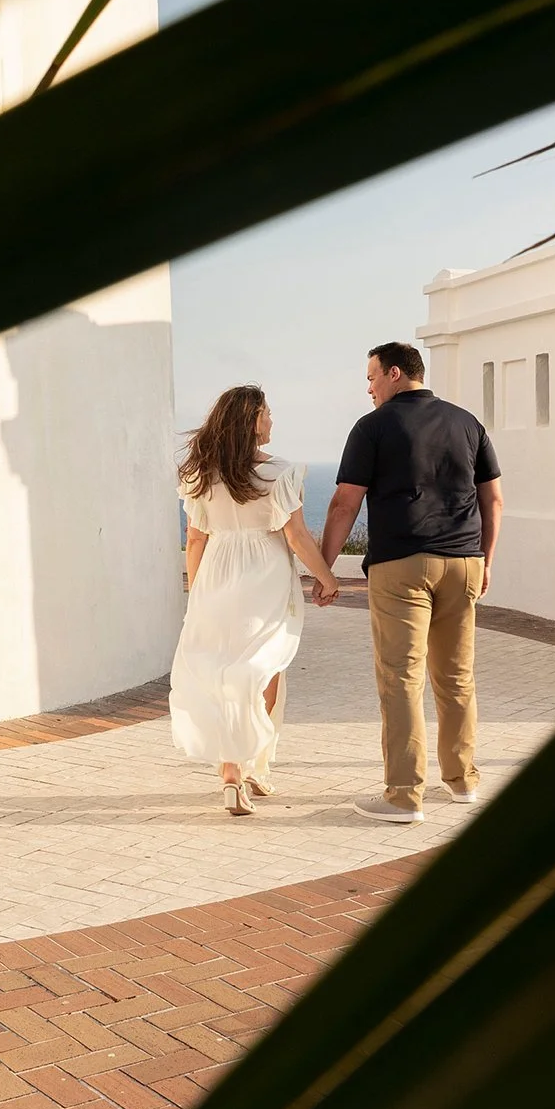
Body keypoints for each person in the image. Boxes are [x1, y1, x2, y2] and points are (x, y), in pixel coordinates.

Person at [321, 342, 502, 824]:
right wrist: (486, 560)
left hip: (402, 564)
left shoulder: (373, 426)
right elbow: (494, 499)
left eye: (372, 377)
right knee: (457, 676)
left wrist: (322, 569)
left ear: (395, 373)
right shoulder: (468, 422)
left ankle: (404, 796)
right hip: (464, 561)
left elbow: (345, 503)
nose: (369, 388)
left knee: (401, 678)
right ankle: (462, 782)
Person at [171, 386, 342, 816]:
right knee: (263, 667)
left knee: (225, 668)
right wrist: (327, 578)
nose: (272, 421)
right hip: (263, 576)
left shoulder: (200, 476)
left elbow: (194, 538)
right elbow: (296, 536)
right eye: (267, 413)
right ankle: (246, 767)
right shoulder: (280, 473)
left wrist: (196, 591)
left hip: (216, 573)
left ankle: (234, 769)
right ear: (252, 421)